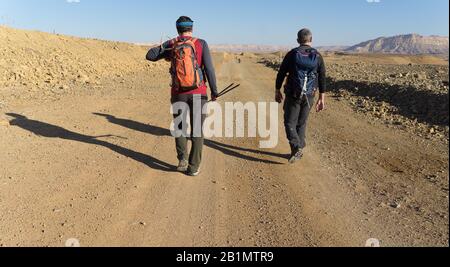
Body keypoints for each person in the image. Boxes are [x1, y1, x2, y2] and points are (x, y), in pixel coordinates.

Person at [146, 16, 219, 176]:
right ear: (191, 28)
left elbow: (150, 56)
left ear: (177, 28)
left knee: (179, 127)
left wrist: (163, 47)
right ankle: (193, 167)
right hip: (198, 93)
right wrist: (214, 91)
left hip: (178, 94)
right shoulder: (201, 43)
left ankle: (182, 160)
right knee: (197, 130)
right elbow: (210, 70)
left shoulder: (172, 44)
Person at [275, 28, 326, 164]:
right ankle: (298, 147)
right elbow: (322, 77)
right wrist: (322, 97)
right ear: (311, 40)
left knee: (289, 122)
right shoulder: (318, 56)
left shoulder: (292, 54)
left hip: (293, 94)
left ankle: (297, 147)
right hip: (310, 95)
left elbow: (281, 73)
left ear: (298, 40)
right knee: (301, 122)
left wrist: (277, 89)